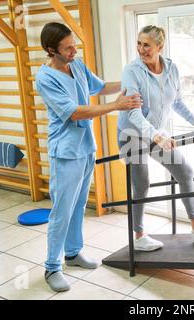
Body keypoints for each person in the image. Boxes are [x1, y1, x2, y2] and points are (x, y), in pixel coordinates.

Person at [36, 22, 142, 292]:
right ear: (51, 50)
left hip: (85, 147)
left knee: (80, 204)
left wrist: (131, 81)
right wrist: (116, 106)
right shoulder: (45, 77)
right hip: (65, 152)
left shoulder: (77, 63)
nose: (74, 50)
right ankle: (52, 267)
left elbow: (100, 86)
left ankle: (72, 253)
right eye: (68, 47)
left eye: (74, 45)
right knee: (62, 210)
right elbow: (74, 112)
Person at [118, 25, 194, 252]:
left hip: (157, 135)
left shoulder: (171, 68)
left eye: (147, 45)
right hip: (132, 134)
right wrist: (157, 136)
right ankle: (140, 235)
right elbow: (133, 111)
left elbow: (177, 100)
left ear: (159, 46)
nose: (141, 49)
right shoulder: (131, 71)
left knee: (185, 172)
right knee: (141, 184)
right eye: (139, 43)